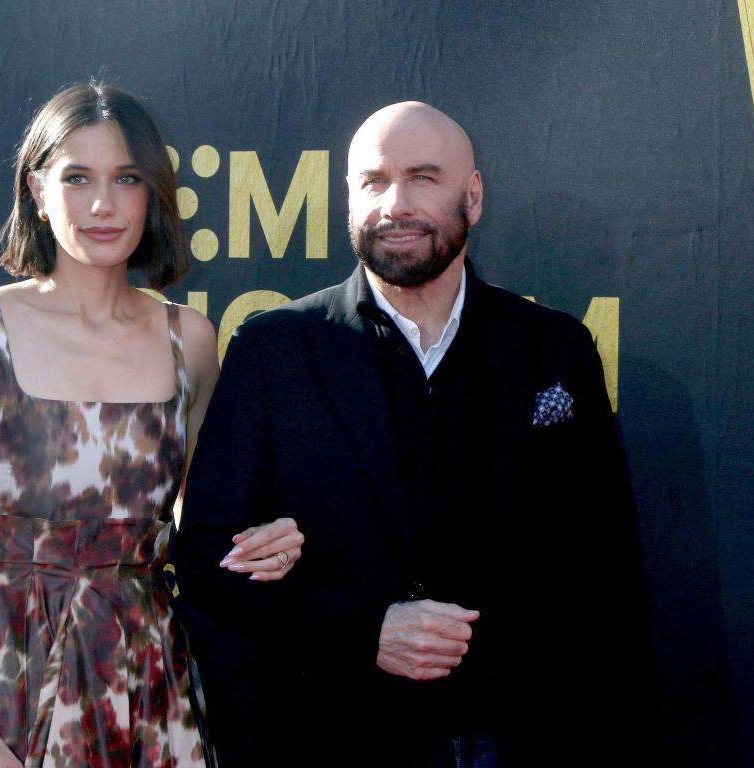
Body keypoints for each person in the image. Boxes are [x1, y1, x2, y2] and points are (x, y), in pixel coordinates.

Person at [172, 101, 656, 766]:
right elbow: (202, 558)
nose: (395, 204)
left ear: (473, 195)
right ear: (347, 198)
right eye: (373, 181)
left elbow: (606, 570)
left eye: (424, 177)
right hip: (333, 740)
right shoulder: (275, 349)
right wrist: (362, 630)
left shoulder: (553, 350)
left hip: (521, 736)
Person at [0, 82, 303, 768]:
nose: (102, 204)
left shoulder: (190, 342)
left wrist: (268, 541)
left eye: (126, 178)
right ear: (36, 189)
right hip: (0, 680)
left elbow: (201, 522)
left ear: (154, 194)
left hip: (146, 683)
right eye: (77, 177)